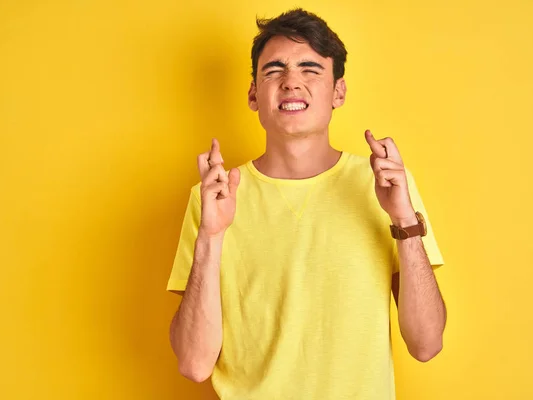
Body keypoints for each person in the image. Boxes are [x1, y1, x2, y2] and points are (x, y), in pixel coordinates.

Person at [167, 8, 446, 400]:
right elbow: (194, 364)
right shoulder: (213, 198)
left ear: (338, 92)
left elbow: (427, 343)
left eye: (311, 69)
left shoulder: (384, 185)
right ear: (253, 93)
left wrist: (403, 218)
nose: (290, 83)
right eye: (274, 70)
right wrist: (211, 237)